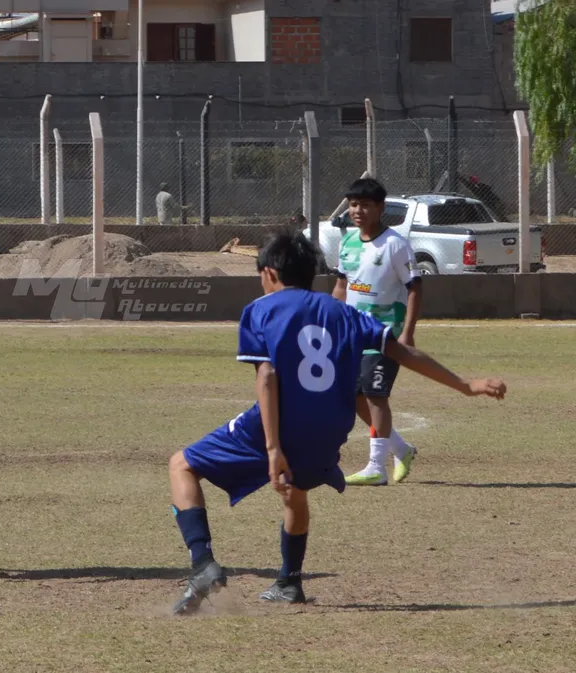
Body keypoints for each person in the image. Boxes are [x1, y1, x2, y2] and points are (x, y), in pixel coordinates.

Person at [168, 229, 505, 615]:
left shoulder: (260, 309)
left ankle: (202, 564)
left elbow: (267, 377)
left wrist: (273, 448)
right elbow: (402, 352)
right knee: (294, 491)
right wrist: (467, 385)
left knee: (181, 464)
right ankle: (290, 582)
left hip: (279, 425)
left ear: (270, 273)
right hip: (331, 429)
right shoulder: (344, 312)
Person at [333, 178, 423, 486]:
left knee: (375, 395)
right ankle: (401, 449)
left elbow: (415, 289)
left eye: (365, 205)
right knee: (356, 398)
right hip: (352, 336)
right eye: (353, 204)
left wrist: (407, 334)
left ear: (380, 208)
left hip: (385, 335)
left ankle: (376, 467)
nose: (358, 210)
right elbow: (341, 286)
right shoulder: (346, 244)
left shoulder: (395, 244)